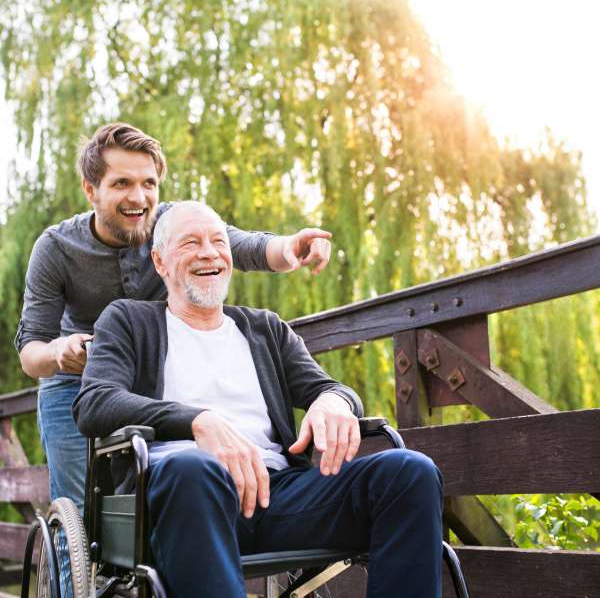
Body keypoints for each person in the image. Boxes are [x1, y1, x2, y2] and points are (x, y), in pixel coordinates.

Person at [73, 202, 444, 598]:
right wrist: (198, 421)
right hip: (182, 495)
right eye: (191, 243)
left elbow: (329, 387)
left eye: (218, 242)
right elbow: (95, 402)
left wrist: (334, 401)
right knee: (192, 468)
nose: (209, 252)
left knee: (409, 472)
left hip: (277, 492)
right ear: (160, 262)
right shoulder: (129, 320)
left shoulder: (264, 328)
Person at [15, 122, 333, 512]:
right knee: (80, 511)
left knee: (150, 498)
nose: (139, 197)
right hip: (74, 383)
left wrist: (293, 248)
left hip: (148, 377)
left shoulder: (172, 226)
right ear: (90, 189)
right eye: (121, 184)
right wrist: (60, 352)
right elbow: (30, 354)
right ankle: (77, 570)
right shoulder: (56, 248)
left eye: (149, 183)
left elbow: (245, 246)